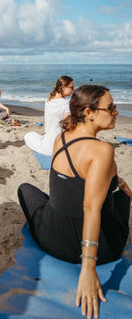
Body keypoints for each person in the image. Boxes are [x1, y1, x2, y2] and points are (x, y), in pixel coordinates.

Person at [18, 85, 131, 319]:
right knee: (119, 199)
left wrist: (118, 181)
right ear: (89, 112)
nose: (116, 112)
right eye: (110, 108)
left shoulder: (61, 138)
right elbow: (91, 208)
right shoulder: (102, 151)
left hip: (51, 238)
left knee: (25, 189)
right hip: (103, 250)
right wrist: (88, 269)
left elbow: (91, 178)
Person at [24, 75, 74, 155]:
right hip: (57, 145)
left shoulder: (48, 100)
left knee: (28, 135)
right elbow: (67, 127)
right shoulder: (65, 104)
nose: (73, 90)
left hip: (49, 144)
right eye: (71, 87)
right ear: (63, 88)